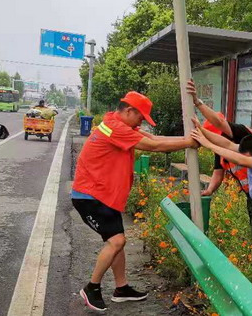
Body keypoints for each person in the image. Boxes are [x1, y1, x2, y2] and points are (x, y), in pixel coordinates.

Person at [72, 91, 198, 312]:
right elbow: (153, 146)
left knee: (117, 242)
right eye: (141, 117)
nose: (142, 122)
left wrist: (189, 141)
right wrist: (189, 142)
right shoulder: (115, 128)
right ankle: (92, 287)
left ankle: (121, 289)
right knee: (117, 242)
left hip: (104, 197)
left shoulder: (117, 123)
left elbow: (154, 139)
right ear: (129, 110)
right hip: (90, 197)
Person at [186, 79, 252, 245]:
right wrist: (209, 190)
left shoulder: (240, 134)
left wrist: (197, 102)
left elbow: (220, 124)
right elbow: (218, 172)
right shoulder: (221, 150)